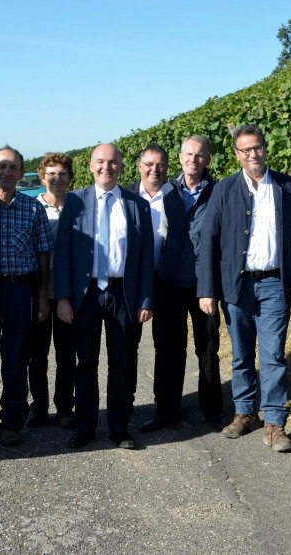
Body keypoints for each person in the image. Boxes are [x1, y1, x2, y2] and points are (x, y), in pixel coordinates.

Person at [197, 124, 291, 453]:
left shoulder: (287, 187)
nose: (253, 154)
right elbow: (208, 241)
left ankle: (275, 422)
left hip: (274, 283)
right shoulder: (224, 189)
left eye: (257, 147)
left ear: (265, 148)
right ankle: (244, 413)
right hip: (237, 284)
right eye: (245, 150)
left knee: (274, 355)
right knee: (242, 355)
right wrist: (207, 290)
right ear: (237, 154)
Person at [54, 143, 154, 450]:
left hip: (122, 293)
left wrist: (146, 299)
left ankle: (119, 428)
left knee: (121, 363)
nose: (106, 167)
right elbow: (63, 253)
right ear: (91, 166)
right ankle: (85, 426)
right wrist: (63, 298)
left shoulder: (137, 205)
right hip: (86, 296)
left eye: (112, 162)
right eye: (100, 162)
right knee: (85, 363)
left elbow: (146, 257)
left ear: (122, 167)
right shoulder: (74, 201)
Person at [0, 145, 52, 448]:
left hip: (19, 289)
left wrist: (42, 297)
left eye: (13, 167)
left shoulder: (33, 209)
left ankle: (12, 422)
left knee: (16, 359)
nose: (6, 172)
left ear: (20, 173)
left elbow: (43, 255)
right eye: (1, 166)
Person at [140, 135, 224, 432]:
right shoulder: (167, 191)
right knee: (167, 349)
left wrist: (213, 286)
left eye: (200, 155)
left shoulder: (219, 191)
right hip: (169, 281)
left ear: (208, 160)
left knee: (208, 347)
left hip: (205, 283)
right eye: (188, 154)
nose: (193, 160)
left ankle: (212, 409)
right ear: (180, 158)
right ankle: (166, 411)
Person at [26, 152, 77, 429]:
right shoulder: (33, 208)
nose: (57, 179)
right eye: (51, 174)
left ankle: (65, 407)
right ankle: (39, 406)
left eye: (62, 174)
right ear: (43, 177)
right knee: (37, 352)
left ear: (70, 177)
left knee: (67, 352)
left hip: (68, 292)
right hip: (39, 292)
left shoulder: (78, 207)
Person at [124, 143, 171, 416]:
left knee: (165, 344)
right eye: (149, 164)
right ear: (140, 166)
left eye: (161, 164)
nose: (155, 169)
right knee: (128, 343)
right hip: (133, 279)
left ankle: (164, 405)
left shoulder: (173, 195)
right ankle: (126, 400)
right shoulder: (126, 195)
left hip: (165, 278)